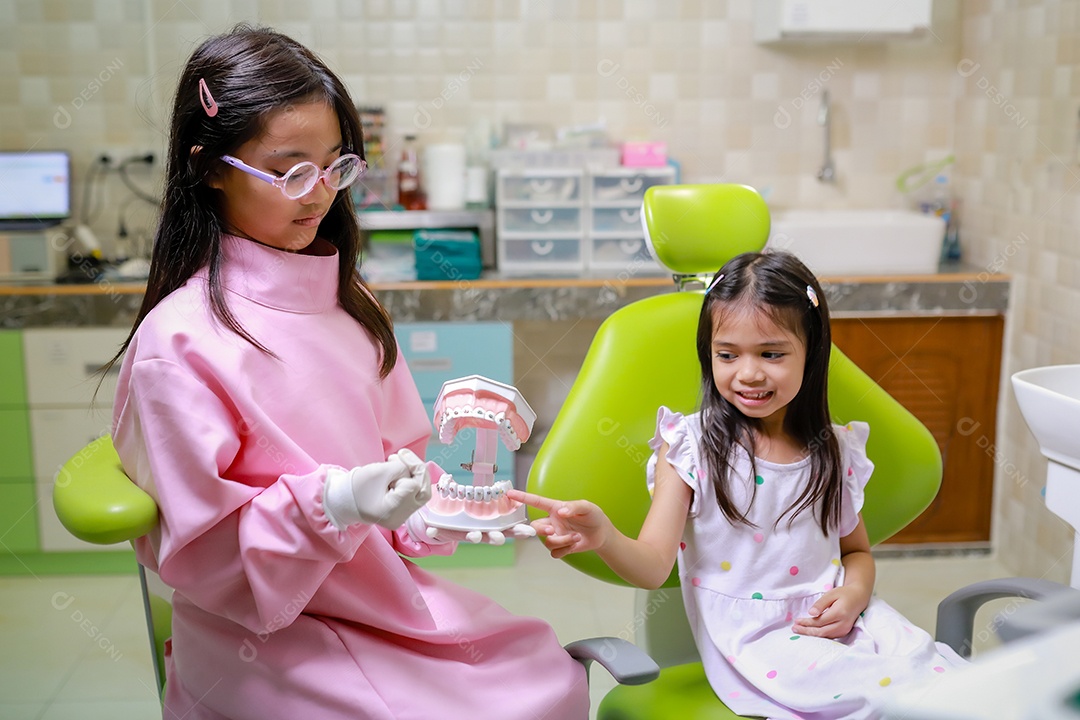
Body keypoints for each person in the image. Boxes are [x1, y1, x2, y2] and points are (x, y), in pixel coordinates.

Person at [107, 25, 588, 720]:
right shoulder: (179, 344)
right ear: (209, 167)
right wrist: (333, 504)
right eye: (291, 170)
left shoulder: (349, 306)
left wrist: (433, 510)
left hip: (378, 598)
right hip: (264, 633)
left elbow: (397, 470)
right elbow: (207, 558)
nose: (321, 193)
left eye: (336, 165)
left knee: (544, 677)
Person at [510, 251, 965, 720]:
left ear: (811, 353)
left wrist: (853, 596)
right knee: (882, 700)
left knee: (948, 684)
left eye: (771, 353)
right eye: (727, 355)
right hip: (761, 642)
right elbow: (651, 567)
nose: (748, 373)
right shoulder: (691, 447)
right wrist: (603, 536)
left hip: (850, 618)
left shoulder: (835, 448)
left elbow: (857, 554)